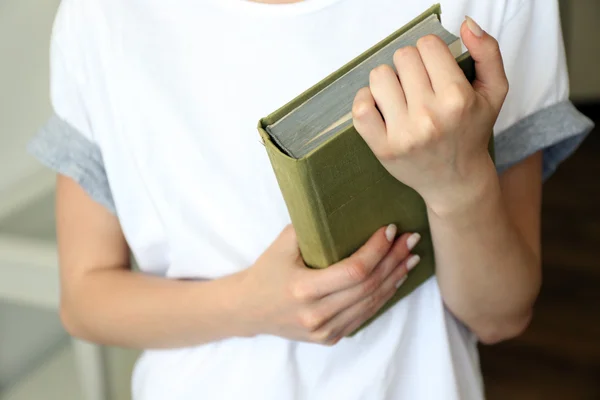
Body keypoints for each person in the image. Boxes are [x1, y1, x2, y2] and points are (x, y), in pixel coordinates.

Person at [28, 0, 593, 399]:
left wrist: (457, 185)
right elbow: (85, 298)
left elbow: (501, 316)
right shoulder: (100, 17)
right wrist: (250, 305)